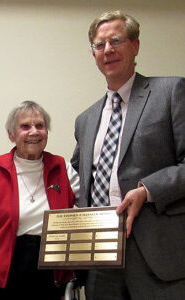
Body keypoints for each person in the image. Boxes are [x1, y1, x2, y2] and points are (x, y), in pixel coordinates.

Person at [71, 10, 185, 300]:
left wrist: (147, 190)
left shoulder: (171, 91)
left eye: (116, 40)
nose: (108, 50)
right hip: (99, 259)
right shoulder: (85, 120)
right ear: (93, 54)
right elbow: (80, 180)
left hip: (157, 257)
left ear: (135, 46)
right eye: (100, 44)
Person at [0, 100, 80, 300]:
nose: (34, 132)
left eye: (40, 125)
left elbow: (90, 208)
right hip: (3, 270)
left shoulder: (62, 168)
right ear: (11, 134)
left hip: (50, 269)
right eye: (25, 126)